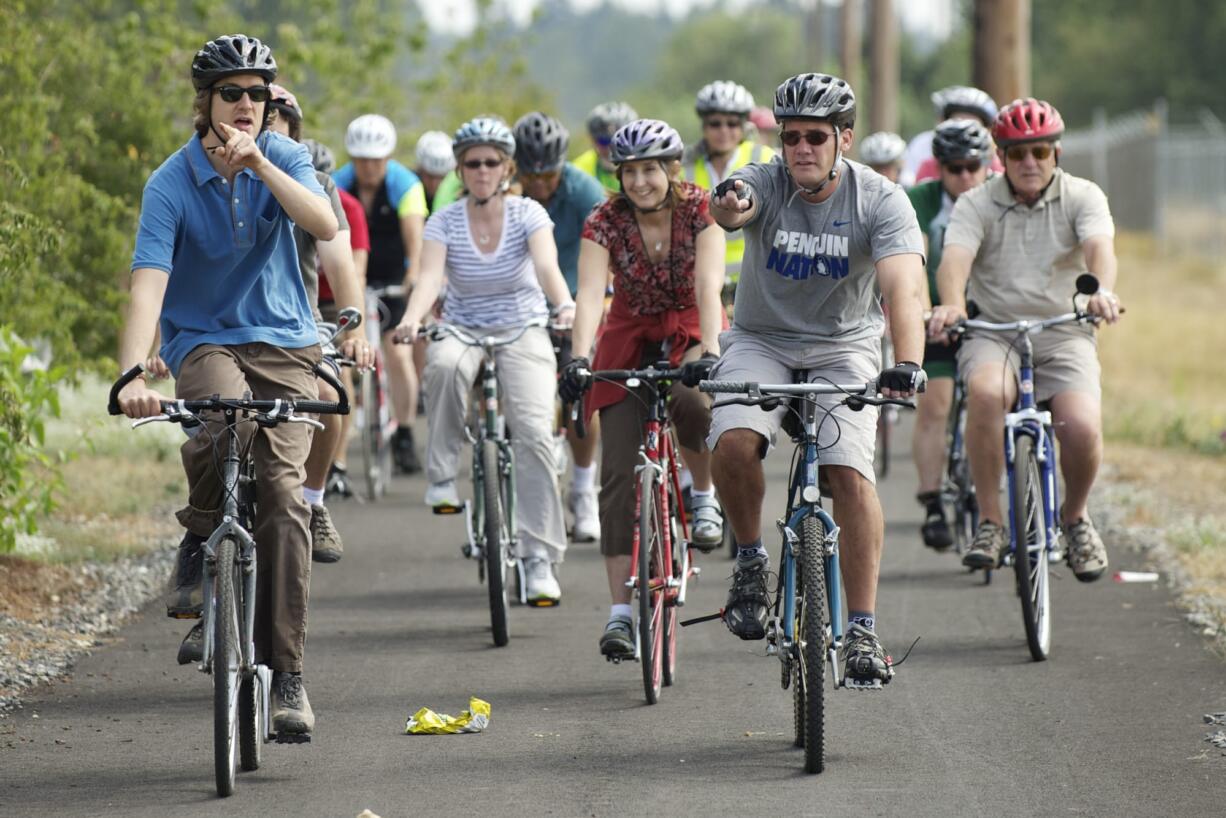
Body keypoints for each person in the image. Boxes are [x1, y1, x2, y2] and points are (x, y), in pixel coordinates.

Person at [115, 34, 338, 735]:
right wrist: (129, 373)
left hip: (287, 343)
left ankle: (289, 675)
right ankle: (203, 527)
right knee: (221, 420)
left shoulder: (288, 156)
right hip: (204, 338)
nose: (246, 105)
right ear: (204, 102)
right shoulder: (170, 183)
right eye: (231, 93)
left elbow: (325, 224)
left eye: (258, 94)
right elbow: (148, 287)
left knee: (281, 493)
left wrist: (262, 164)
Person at [707, 73, 927, 686]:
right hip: (761, 340)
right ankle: (750, 561)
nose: (801, 148)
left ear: (844, 140)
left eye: (815, 137)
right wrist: (727, 204)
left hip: (844, 345)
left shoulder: (880, 199)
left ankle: (861, 629)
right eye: (791, 137)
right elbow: (733, 202)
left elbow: (903, 287)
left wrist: (906, 362)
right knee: (733, 442)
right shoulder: (765, 179)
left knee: (848, 475)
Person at [927, 98, 1123, 581]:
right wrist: (951, 303)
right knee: (987, 394)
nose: (1029, 163)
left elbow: (1100, 249)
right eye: (1017, 154)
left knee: (1079, 426)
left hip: (1065, 331)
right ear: (1002, 157)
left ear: (1056, 153)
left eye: (1039, 151)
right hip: (994, 330)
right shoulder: (978, 202)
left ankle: (1075, 518)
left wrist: (1099, 291)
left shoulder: (1084, 196)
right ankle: (992, 522)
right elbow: (955, 260)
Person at [558, 119, 726, 658]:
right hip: (628, 332)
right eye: (629, 172)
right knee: (616, 478)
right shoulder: (605, 219)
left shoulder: (702, 208)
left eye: (650, 169)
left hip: (691, 326)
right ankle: (621, 614)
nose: (640, 182)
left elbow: (709, 286)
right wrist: (579, 357)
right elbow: (589, 295)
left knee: (692, 401)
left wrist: (713, 354)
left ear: (672, 168)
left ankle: (703, 498)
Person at [392, 117, 576, 606]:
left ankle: (539, 561)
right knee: (445, 365)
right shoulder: (444, 220)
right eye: (472, 162)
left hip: (523, 327)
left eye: (491, 161)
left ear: (507, 166)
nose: (481, 170)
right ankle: (443, 475)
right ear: (460, 168)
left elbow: (546, 267)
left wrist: (565, 305)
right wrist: (412, 318)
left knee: (535, 433)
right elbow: (429, 279)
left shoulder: (529, 214)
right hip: (462, 326)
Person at [267, 86, 373, 563]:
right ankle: (203, 538)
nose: (263, 130)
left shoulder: (318, 187)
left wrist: (355, 330)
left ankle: (312, 501)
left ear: (294, 134)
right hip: (227, 331)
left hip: (301, 324)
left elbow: (340, 263)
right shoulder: (212, 176)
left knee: (331, 399)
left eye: (276, 122)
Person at [513, 112, 607, 543]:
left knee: (583, 389)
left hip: (572, 303)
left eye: (548, 175)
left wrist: (597, 301)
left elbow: (607, 252)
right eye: (529, 175)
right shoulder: (503, 189)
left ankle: (584, 489)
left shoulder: (585, 191)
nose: (539, 185)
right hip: (518, 306)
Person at [905, 119, 992, 549]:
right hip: (938, 315)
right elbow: (915, 262)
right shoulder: (920, 199)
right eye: (954, 168)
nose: (965, 176)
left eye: (973, 166)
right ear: (938, 168)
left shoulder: (999, 194)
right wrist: (921, 312)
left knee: (988, 399)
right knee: (936, 404)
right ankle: (933, 499)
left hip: (989, 316)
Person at [333, 114, 427, 474]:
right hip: (352, 278)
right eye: (361, 159)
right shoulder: (339, 182)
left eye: (375, 159)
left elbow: (414, 242)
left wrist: (413, 275)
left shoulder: (406, 184)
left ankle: (404, 432)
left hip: (392, 277)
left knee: (398, 354)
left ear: (387, 158)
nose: (368, 167)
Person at [305, 138, 371, 501]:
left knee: (339, 377)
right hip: (303, 296)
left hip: (332, 301)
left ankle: (339, 463)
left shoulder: (347, 206)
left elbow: (354, 269)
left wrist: (354, 331)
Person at [682, 81, 776, 294]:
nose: (724, 131)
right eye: (715, 123)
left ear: (744, 126)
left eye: (732, 124)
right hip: (698, 282)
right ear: (704, 126)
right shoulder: (684, 164)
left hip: (756, 282)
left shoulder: (764, 157)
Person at [901, 85, 1001, 187]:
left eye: (973, 167)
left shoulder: (997, 163)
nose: (963, 133)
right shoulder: (923, 149)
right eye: (954, 168)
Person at [574, 101, 638, 194]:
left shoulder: (646, 163)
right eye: (604, 141)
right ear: (592, 140)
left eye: (621, 141)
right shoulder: (579, 170)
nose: (612, 148)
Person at [414, 130, 458, 214]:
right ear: (419, 170)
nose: (435, 184)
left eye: (441, 177)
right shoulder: (407, 188)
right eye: (430, 176)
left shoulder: (460, 193)